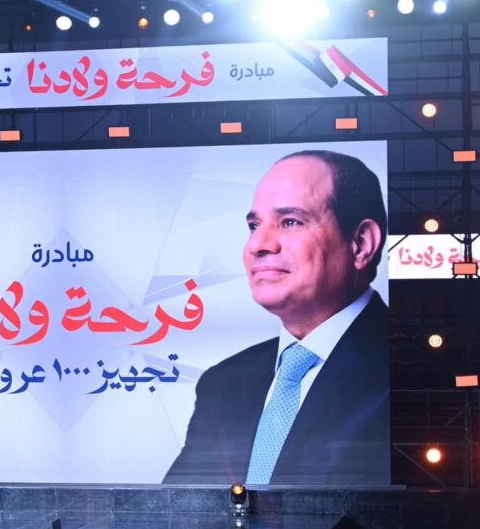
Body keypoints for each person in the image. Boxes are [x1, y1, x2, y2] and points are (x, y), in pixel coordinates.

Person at [165, 150, 389, 486]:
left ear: (360, 243)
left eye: (290, 222)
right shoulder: (222, 383)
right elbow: (175, 510)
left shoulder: (410, 373)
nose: (258, 244)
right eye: (254, 226)